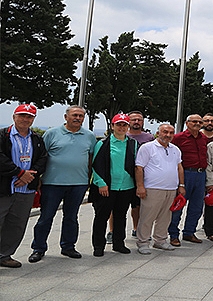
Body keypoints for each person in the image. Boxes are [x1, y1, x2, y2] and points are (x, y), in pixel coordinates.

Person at [29, 105, 96, 263]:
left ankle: (68, 246)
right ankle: (38, 248)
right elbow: (41, 157)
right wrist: (38, 180)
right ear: (66, 117)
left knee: (71, 217)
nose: (77, 118)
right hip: (52, 183)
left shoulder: (89, 136)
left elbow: (90, 159)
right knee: (46, 217)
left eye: (80, 116)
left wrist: (88, 179)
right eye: (74, 115)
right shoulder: (51, 134)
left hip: (78, 183)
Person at [0, 104, 47, 268]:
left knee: (17, 224)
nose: (25, 119)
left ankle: (4, 255)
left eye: (29, 117)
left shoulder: (36, 139)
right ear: (14, 117)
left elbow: (43, 159)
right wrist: (19, 173)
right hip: (4, 188)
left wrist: (30, 175)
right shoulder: (3, 135)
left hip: (25, 189)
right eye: (22, 116)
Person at [90, 113, 137, 257]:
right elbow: (95, 164)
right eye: (119, 125)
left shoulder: (133, 143)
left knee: (120, 216)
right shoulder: (103, 143)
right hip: (107, 187)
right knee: (101, 217)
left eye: (124, 125)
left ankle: (119, 243)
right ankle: (98, 245)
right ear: (112, 126)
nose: (122, 127)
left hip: (126, 187)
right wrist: (101, 183)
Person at [134, 124, 185, 254]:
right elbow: (139, 167)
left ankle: (160, 240)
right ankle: (143, 242)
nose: (168, 135)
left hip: (171, 189)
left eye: (171, 133)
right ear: (158, 133)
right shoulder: (147, 148)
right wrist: (140, 186)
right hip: (152, 188)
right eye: (165, 132)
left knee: (165, 217)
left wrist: (181, 185)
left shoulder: (175, 149)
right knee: (147, 217)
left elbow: (179, 168)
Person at [168, 114, 208, 247]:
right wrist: (180, 182)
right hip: (185, 173)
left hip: (201, 174)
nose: (197, 124)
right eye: (194, 121)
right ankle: (173, 234)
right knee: (178, 206)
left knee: (197, 207)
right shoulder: (178, 138)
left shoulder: (203, 138)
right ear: (187, 123)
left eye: (199, 122)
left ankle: (189, 232)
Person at [125, 110, 155, 239]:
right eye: (134, 119)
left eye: (139, 120)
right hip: (124, 175)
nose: (137, 122)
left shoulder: (149, 138)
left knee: (138, 205)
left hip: (143, 176)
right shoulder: (122, 135)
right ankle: (112, 231)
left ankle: (137, 229)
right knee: (116, 206)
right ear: (128, 121)